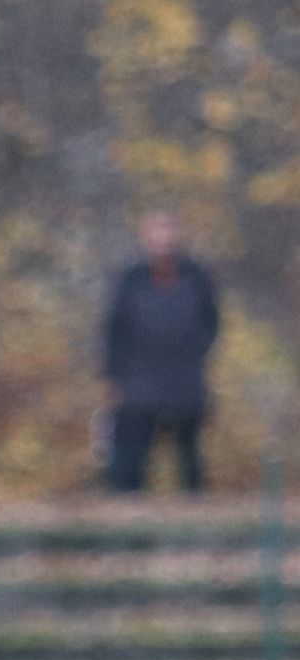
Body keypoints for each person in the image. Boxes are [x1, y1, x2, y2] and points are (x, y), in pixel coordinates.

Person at [102, 211, 223, 494]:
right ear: (146, 237)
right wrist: (114, 378)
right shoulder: (130, 279)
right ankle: (126, 514)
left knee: (189, 454)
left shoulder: (197, 277)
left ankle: (194, 513)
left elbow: (212, 321)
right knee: (129, 457)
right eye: (156, 232)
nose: (162, 239)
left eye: (168, 231)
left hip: (185, 380)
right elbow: (113, 330)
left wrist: (196, 352)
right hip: (137, 382)